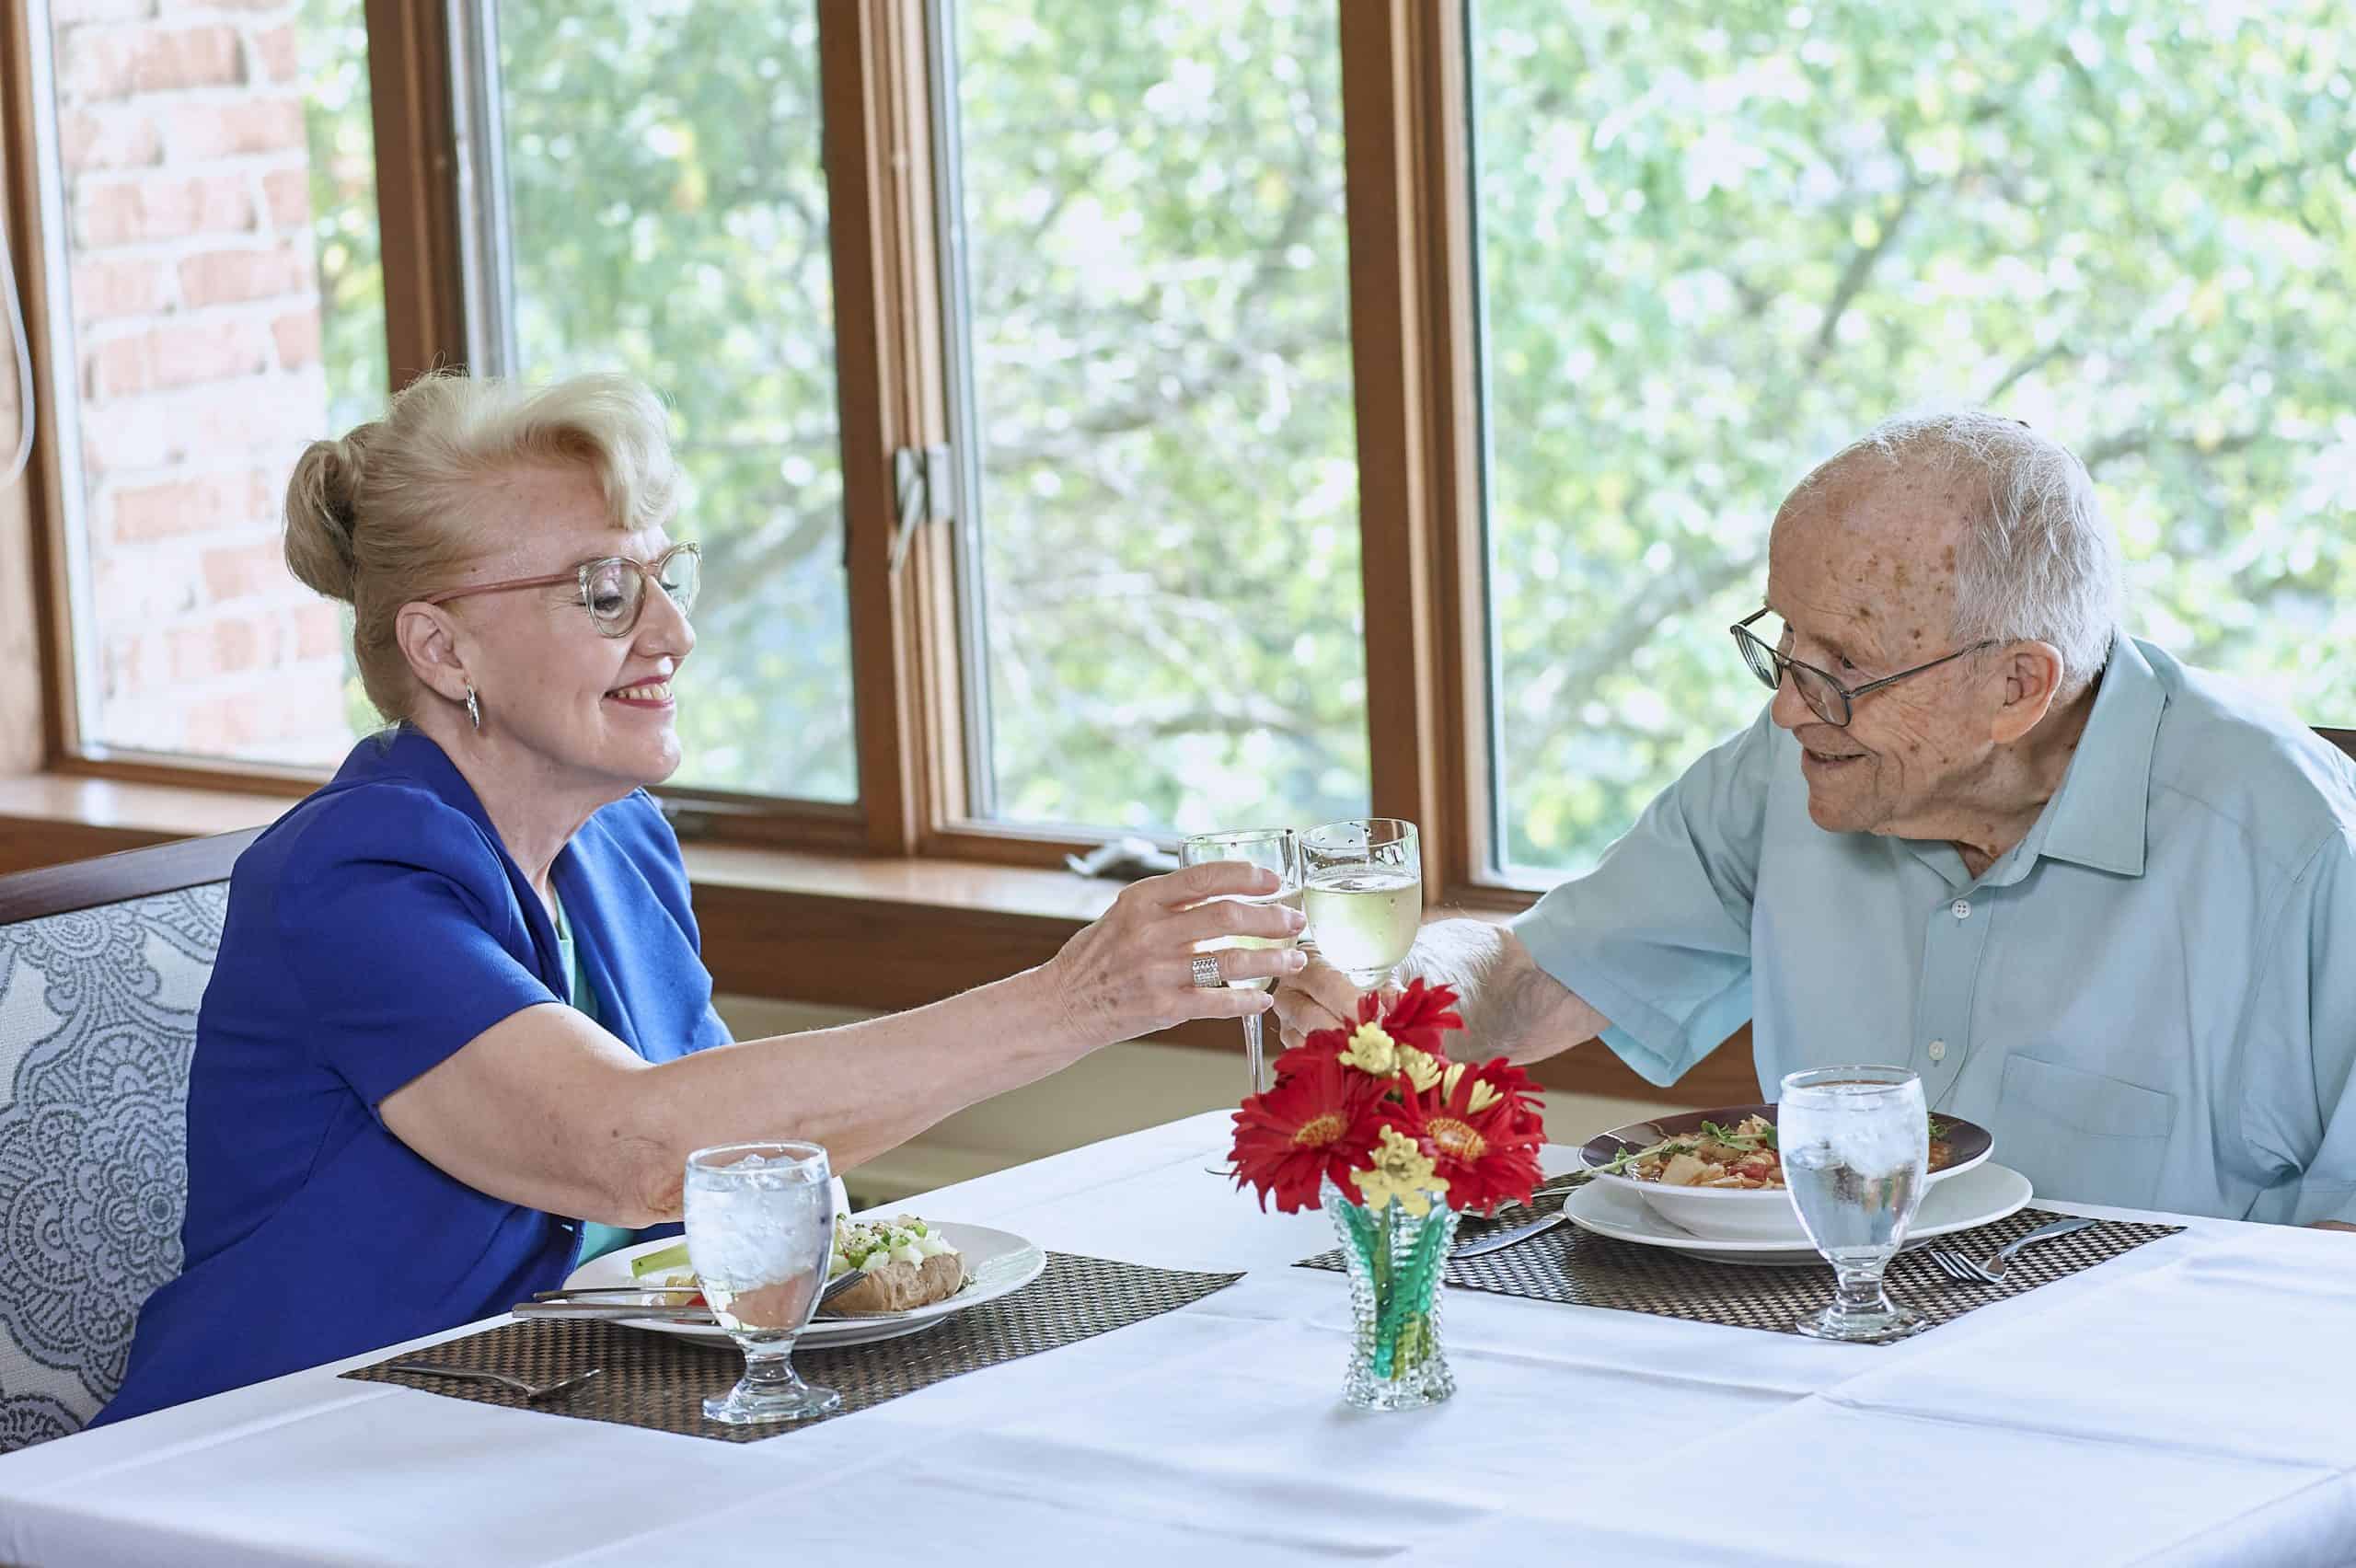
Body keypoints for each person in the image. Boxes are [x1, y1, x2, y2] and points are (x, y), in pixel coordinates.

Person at [98, 372, 1303, 1423]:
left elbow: (741, 1174)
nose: (672, 631)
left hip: (560, 1418)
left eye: (665, 578)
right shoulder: (343, 883)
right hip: (287, 1453)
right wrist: (1079, 1000)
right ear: (443, 652)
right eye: (605, 590)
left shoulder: (618, 840)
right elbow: (634, 1153)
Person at [1277, 411, 2356, 1226]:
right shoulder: (1796, 767)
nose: (1789, 705)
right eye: (1785, 644)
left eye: (1845, 668)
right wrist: (1402, 995)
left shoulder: (2296, 852)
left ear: (2020, 686)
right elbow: (1534, 979)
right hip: (1818, 1353)